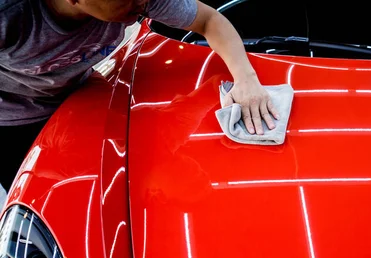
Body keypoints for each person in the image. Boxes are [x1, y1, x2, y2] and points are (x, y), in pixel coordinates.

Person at [0, 0, 279, 204]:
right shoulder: (10, 14)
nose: (144, 4)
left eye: (192, 175)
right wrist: (50, 171)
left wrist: (246, 79)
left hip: (80, 99)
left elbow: (210, 21)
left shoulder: (138, 2)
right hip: (12, 122)